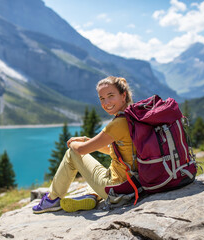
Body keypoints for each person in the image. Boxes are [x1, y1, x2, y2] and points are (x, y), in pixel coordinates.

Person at [32, 76, 136, 213]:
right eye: (102, 98)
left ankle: (52, 199)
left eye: (111, 96)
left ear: (123, 96)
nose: (106, 102)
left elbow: (80, 151)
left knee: (72, 153)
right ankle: (92, 195)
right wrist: (88, 140)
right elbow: (114, 150)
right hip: (134, 183)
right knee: (101, 172)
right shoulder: (134, 115)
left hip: (117, 188)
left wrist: (74, 144)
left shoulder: (118, 124)